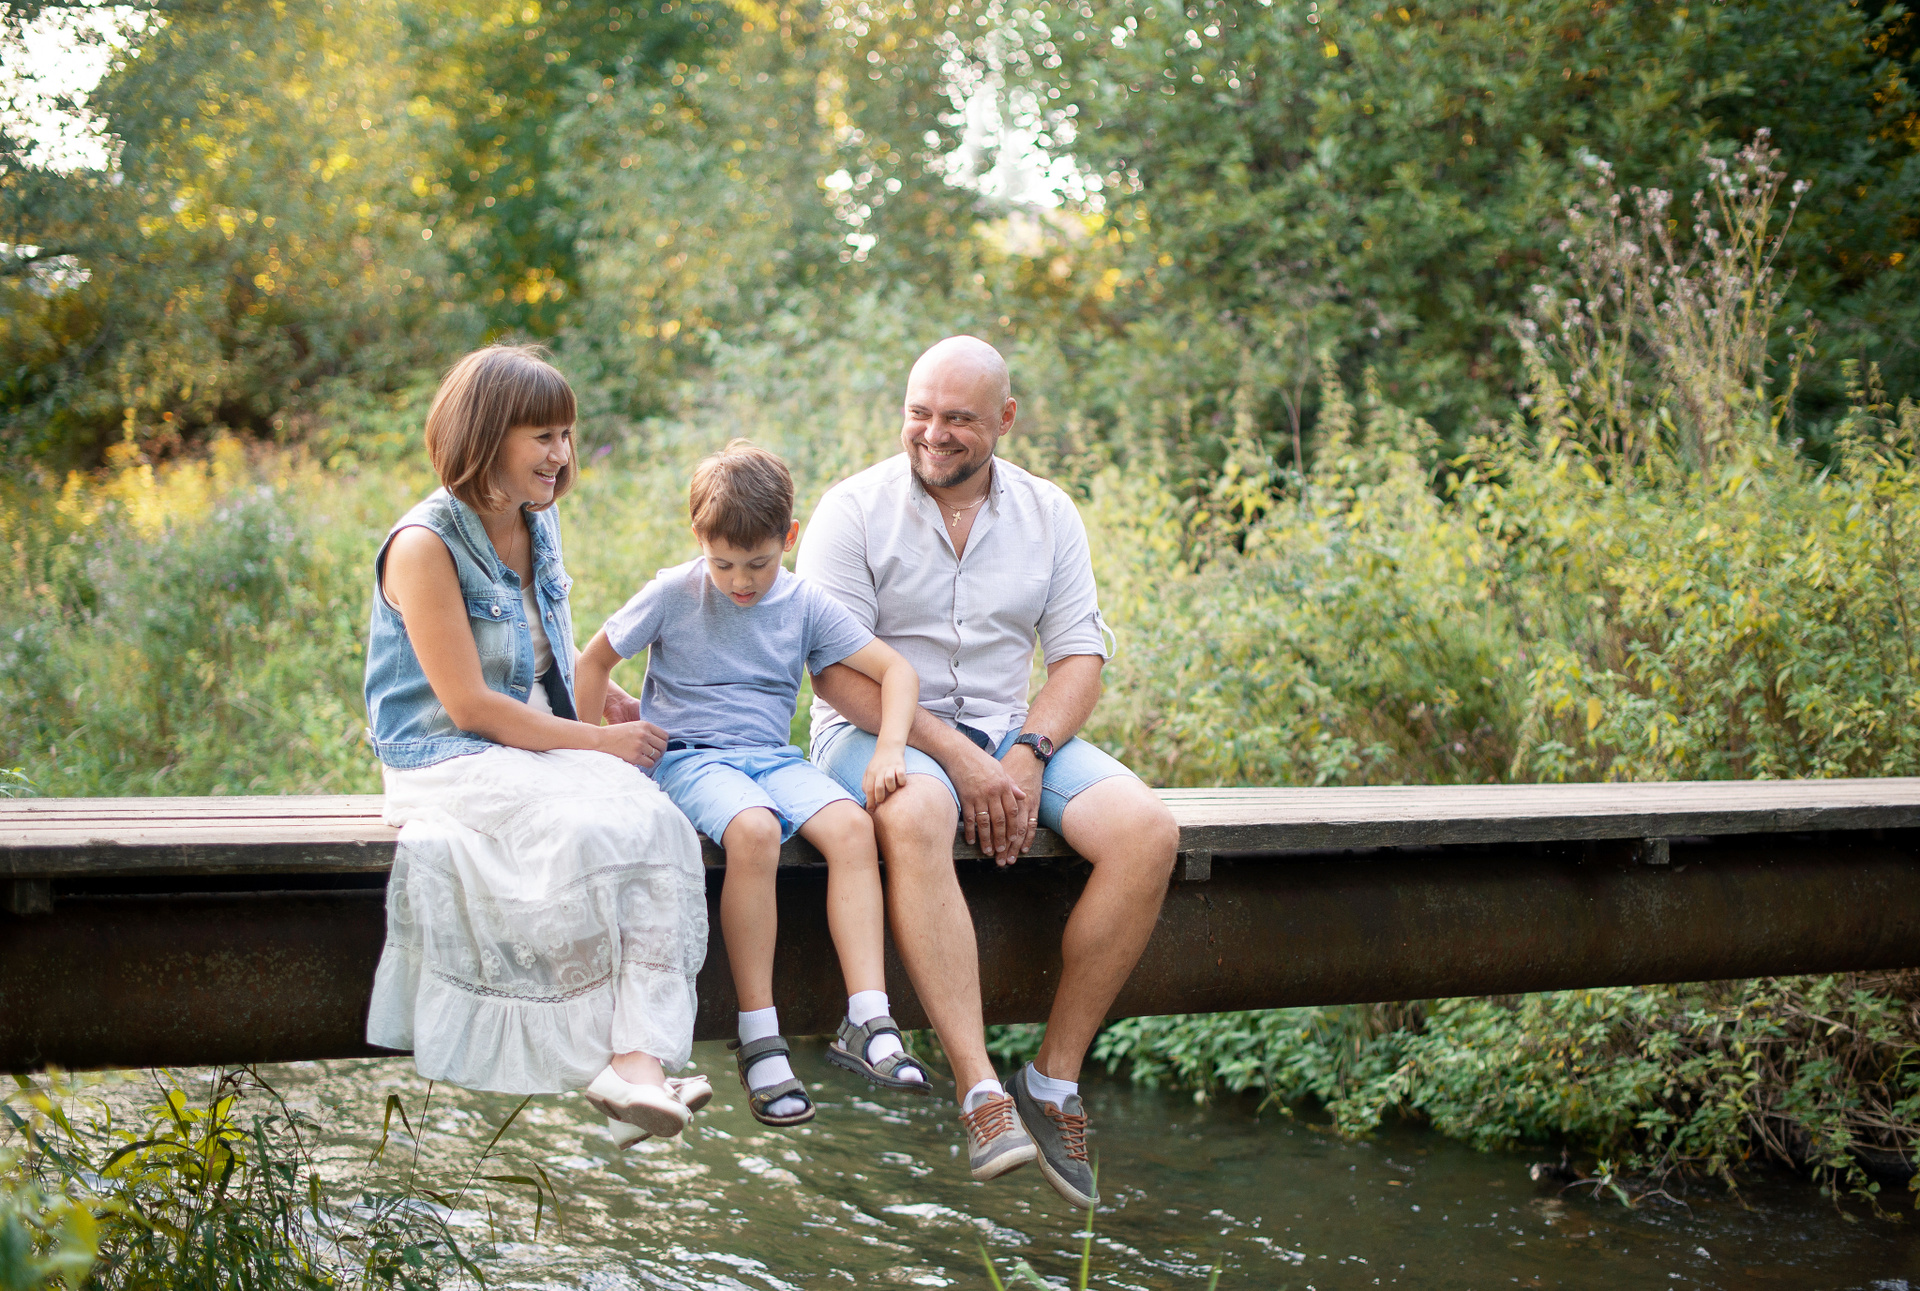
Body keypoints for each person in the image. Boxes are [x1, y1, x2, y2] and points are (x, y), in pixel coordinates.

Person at [797, 335, 1180, 1209]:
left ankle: (1052, 1082)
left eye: (958, 418)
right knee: (920, 811)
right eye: (918, 413)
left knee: (1147, 831)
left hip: (1011, 735)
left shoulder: (1049, 512)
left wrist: (1024, 752)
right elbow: (835, 674)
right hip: (873, 732)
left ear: (1005, 418)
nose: (933, 433)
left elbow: (1079, 658)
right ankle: (980, 1094)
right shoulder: (851, 510)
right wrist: (961, 758)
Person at [363, 343, 711, 1148]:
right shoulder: (423, 544)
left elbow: (535, 651)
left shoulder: (536, 517)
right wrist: (597, 740)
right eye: (543, 436)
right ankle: (597, 1064)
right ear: (487, 436)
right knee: (582, 829)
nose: (561, 454)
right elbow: (470, 704)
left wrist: (601, 700)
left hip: (527, 742)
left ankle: (638, 1063)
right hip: (445, 753)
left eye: (565, 434)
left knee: (656, 820)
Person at [574, 439, 933, 1127]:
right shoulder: (673, 593)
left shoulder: (804, 601)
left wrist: (891, 747)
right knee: (755, 829)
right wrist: (593, 747)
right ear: (699, 541)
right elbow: (591, 661)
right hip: (691, 758)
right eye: (724, 564)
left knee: (852, 827)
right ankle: (759, 1032)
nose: (741, 581)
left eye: (759, 563)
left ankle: (868, 1017)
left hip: (772, 758)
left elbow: (898, 672)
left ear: (788, 539)